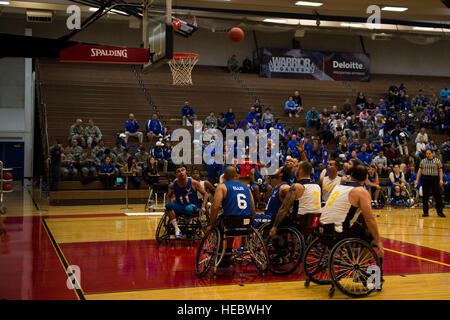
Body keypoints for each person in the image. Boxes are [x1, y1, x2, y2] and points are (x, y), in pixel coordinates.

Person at [318, 164, 384, 258]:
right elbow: (369, 219)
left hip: (321, 227)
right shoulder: (361, 191)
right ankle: (358, 264)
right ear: (366, 177)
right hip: (337, 230)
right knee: (371, 236)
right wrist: (379, 241)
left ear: (351, 175)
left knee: (357, 222)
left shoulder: (338, 187)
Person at [207, 166, 255, 266]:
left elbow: (215, 207)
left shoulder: (222, 187)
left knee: (220, 225)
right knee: (230, 222)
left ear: (224, 176)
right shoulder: (246, 187)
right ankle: (228, 254)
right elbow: (253, 208)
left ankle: (221, 254)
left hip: (231, 221)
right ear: (236, 176)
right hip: (246, 221)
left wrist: (211, 225)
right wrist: (251, 222)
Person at [269, 161, 321, 236]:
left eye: (297, 167)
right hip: (314, 221)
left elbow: (284, 209)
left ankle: (278, 244)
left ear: (300, 170)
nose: (295, 170)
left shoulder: (296, 186)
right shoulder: (317, 186)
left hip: (300, 221)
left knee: (275, 217)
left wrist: (274, 227)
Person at [165, 166, 208, 238]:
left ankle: (189, 226)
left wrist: (203, 206)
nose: (181, 172)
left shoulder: (194, 182)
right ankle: (177, 229)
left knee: (188, 208)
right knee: (168, 205)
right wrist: (168, 208)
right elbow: (168, 196)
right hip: (180, 205)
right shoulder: (173, 185)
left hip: (193, 205)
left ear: (186, 172)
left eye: (183, 170)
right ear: (176, 175)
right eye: (179, 171)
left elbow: (205, 194)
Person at [415, 149, 445, 217]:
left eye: (429, 153)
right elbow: (419, 170)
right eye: (426, 154)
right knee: (425, 196)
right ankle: (425, 212)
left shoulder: (437, 161)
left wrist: (441, 179)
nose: (427, 155)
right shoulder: (423, 161)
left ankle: (440, 212)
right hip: (425, 178)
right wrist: (417, 179)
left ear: (432, 153)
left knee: (437, 195)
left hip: (434, 179)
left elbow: (440, 170)